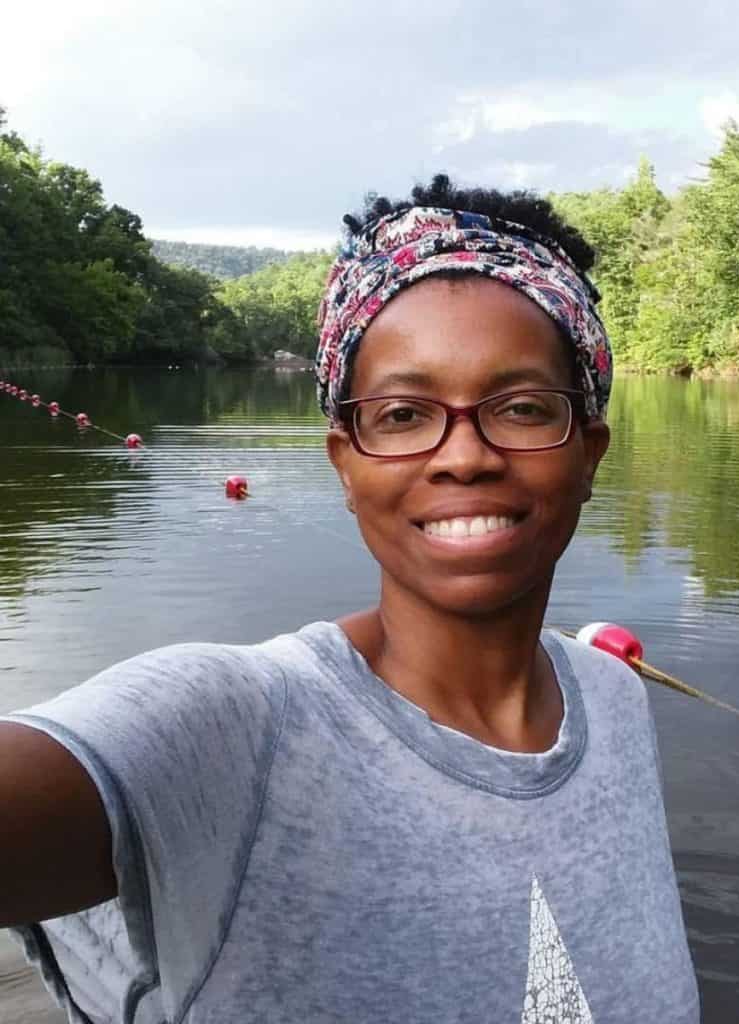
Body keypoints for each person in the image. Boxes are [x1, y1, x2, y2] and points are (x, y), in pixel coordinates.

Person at [0, 175, 700, 1023]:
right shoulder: (233, 724)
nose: (464, 456)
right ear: (345, 460)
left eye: (520, 407)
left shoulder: (615, 700)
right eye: (403, 414)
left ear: (588, 451)